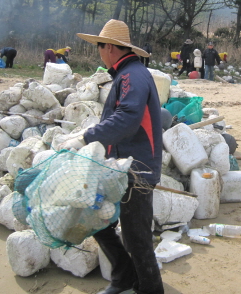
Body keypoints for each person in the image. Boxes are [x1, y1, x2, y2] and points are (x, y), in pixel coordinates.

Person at [60, 19, 164, 294]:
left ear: (111, 48)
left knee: (137, 239)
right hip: (118, 167)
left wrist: (85, 137)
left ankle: (151, 288)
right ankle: (123, 276)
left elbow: (128, 118)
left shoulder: (133, 75)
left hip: (136, 170)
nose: (99, 52)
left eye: (99, 47)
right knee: (97, 218)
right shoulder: (124, 74)